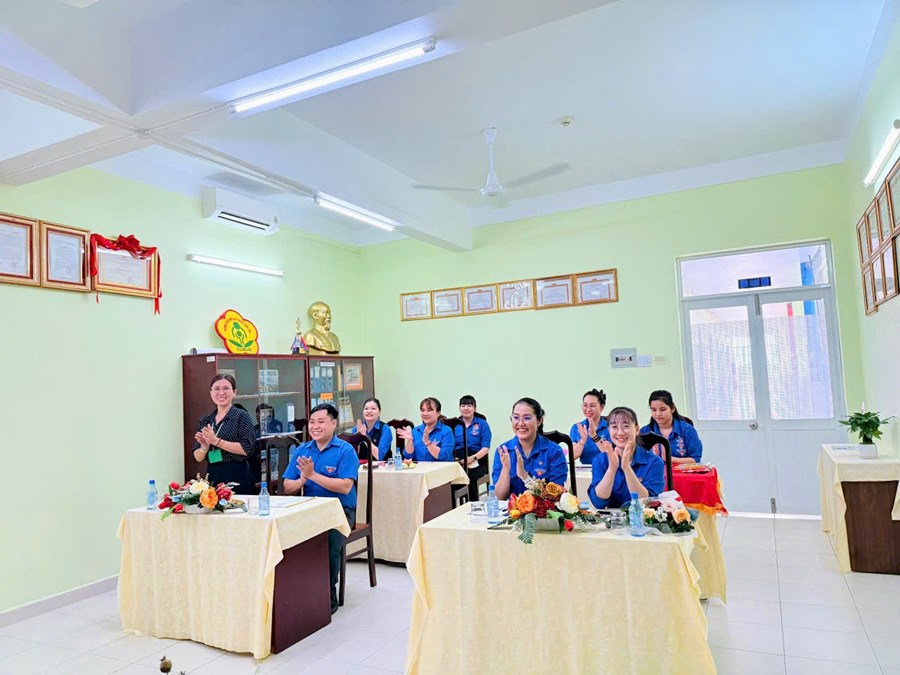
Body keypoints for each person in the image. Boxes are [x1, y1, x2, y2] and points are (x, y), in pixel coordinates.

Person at [282, 403, 358, 614]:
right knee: (285, 535)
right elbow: (288, 486)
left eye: (321, 422)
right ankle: (299, 592)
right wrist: (302, 480)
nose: (315, 426)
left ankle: (327, 595)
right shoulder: (302, 450)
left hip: (340, 511)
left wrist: (313, 475)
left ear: (333, 424)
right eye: (312, 422)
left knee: (329, 541)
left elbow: (345, 487)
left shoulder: (345, 450)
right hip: (309, 509)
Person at [588, 406, 665, 509]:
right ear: (609, 430)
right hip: (611, 518)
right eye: (614, 427)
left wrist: (627, 469)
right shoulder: (600, 460)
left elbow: (648, 503)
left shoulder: (654, 462)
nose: (620, 432)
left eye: (626, 426)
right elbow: (598, 502)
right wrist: (611, 470)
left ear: (637, 429)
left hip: (642, 517)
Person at [492, 397, 569, 500]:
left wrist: (525, 477)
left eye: (527, 418)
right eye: (516, 417)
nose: (520, 423)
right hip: (512, 509)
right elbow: (499, 497)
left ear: (539, 421)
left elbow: (556, 496)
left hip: (544, 510)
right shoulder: (503, 451)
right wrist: (506, 469)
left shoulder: (554, 452)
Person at [192, 373, 257, 494]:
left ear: (234, 392)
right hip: (213, 474)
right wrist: (204, 447)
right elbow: (198, 457)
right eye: (216, 389)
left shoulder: (241, 416)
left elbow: (247, 448)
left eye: (226, 388)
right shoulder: (206, 420)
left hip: (238, 474)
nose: (221, 393)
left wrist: (216, 441)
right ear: (210, 392)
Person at [640, 390, 703, 464]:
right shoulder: (644, 432)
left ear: (672, 408)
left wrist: (670, 459)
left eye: (663, 409)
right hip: (655, 471)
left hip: (682, 471)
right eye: (654, 410)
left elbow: (695, 460)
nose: (658, 414)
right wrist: (654, 458)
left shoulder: (687, 430)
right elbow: (638, 460)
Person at [454, 395, 492, 502]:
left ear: (474, 408)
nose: (466, 408)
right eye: (463, 405)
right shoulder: (455, 425)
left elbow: (485, 448)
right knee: (451, 476)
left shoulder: (482, 424)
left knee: (469, 476)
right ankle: (454, 506)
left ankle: (473, 505)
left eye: (469, 405)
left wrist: (472, 458)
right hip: (458, 460)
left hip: (478, 460)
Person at [396, 397, 455, 462]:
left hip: (441, 468)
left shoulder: (446, 431)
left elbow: (446, 457)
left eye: (429, 410)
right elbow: (408, 456)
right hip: (420, 468)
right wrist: (410, 440)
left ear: (438, 413)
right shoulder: (416, 431)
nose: (425, 414)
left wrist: (428, 443)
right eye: (422, 410)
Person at [570, 388, 611, 464]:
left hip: (606, 468)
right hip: (586, 470)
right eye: (585, 405)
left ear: (602, 407)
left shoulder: (610, 427)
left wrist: (594, 436)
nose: (588, 409)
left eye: (592, 406)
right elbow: (572, 456)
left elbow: (610, 455)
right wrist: (582, 441)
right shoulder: (577, 428)